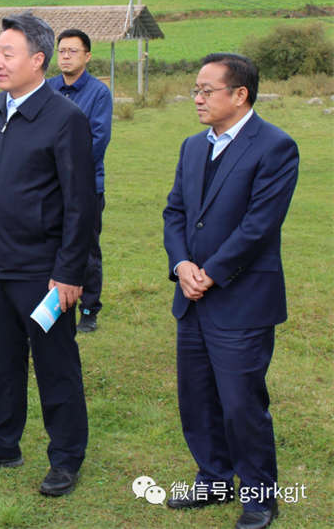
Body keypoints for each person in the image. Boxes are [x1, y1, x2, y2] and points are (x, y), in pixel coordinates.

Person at [0, 12, 95, 497]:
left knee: (56, 366)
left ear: (38, 60)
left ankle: (66, 458)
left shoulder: (66, 119)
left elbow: (81, 203)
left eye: (7, 54)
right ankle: (2, 444)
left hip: (43, 273)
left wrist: (69, 272)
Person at [163, 53, 298, 529]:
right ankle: (214, 479)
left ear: (240, 94)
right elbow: (176, 213)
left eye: (207, 90)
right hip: (192, 296)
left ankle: (260, 497)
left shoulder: (276, 147)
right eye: (195, 90)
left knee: (242, 403)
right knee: (196, 398)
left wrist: (212, 273)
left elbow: (259, 226)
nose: (197, 99)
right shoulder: (191, 147)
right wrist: (182, 265)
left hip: (242, 300)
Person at [47, 29, 113, 333]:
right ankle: (52, 307)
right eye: (61, 51)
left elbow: (97, 141)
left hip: (85, 187)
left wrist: (65, 171)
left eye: (73, 51)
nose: (66, 56)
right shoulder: (47, 88)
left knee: (86, 250)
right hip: (49, 188)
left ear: (87, 56)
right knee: (49, 247)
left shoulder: (98, 93)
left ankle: (89, 309)